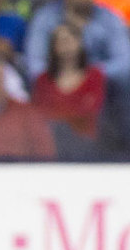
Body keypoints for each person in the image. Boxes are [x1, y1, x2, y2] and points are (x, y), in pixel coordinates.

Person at [32, 23, 106, 157]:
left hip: (87, 149)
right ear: (53, 47)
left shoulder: (95, 76)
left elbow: (92, 111)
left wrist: (62, 116)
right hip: (50, 148)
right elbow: (41, 115)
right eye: (61, 41)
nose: (66, 46)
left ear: (80, 43)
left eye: (71, 40)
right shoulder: (43, 80)